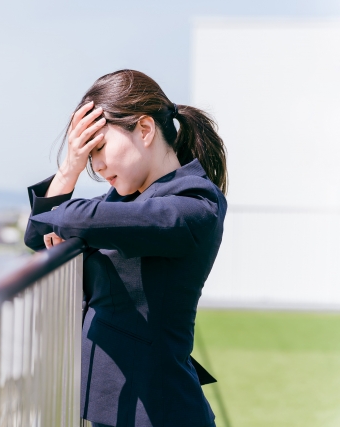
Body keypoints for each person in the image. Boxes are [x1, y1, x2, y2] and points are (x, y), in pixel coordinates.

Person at [24, 70, 227, 427]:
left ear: (145, 130)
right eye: (88, 157)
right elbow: (38, 234)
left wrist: (65, 216)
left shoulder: (195, 203)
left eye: (98, 148)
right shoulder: (127, 202)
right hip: (119, 409)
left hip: (157, 411)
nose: (97, 167)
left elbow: (72, 218)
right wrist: (69, 169)